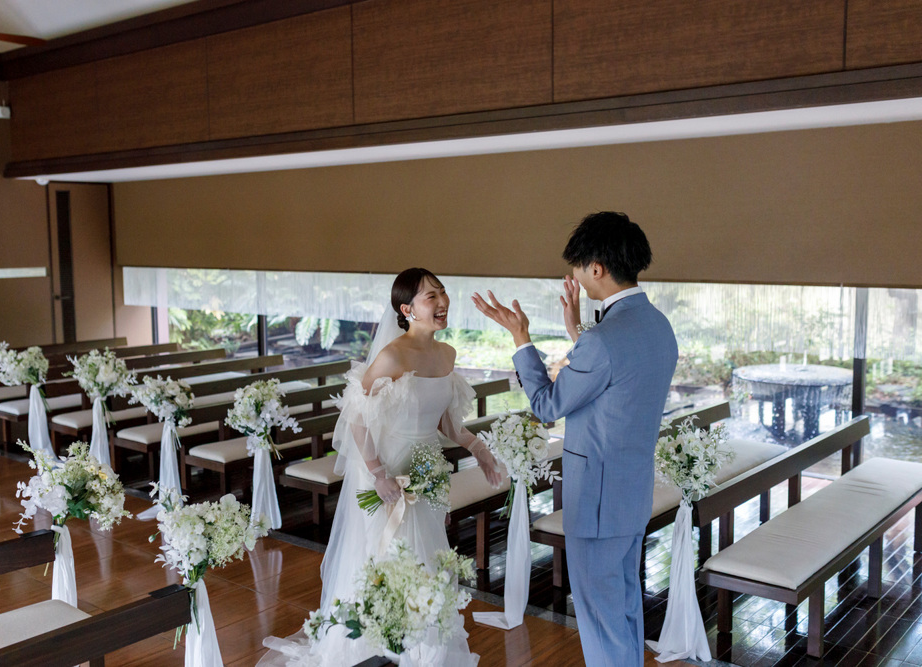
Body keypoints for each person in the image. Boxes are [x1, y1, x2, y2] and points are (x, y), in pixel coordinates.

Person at [262, 268, 501, 667]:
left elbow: (446, 421)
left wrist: (479, 448)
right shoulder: (392, 355)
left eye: (442, 292)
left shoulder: (447, 354)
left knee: (425, 557)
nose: (442, 302)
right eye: (431, 296)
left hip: (426, 470)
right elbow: (357, 416)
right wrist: (377, 472)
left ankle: (422, 649)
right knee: (390, 558)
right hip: (388, 471)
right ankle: (379, 648)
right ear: (407, 310)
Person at [472, 211, 678, 666]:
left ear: (597, 268)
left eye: (578, 267)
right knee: (624, 610)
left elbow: (547, 406)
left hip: (598, 502)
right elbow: (616, 379)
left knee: (601, 618)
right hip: (631, 495)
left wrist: (521, 338)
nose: (576, 276)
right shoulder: (658, 325)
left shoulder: (602, 340)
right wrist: (580, 332)